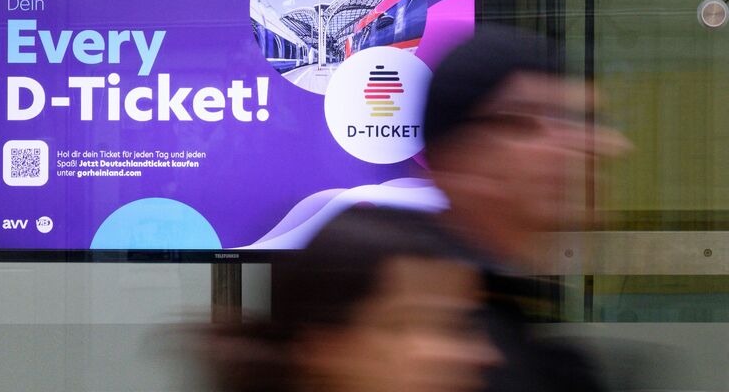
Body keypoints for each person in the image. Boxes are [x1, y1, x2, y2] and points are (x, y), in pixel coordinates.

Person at [198, 26, 630, 392]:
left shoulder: (521, 329)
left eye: (587, 121)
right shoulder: (401, 298)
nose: (594, 146)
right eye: (534, 122)